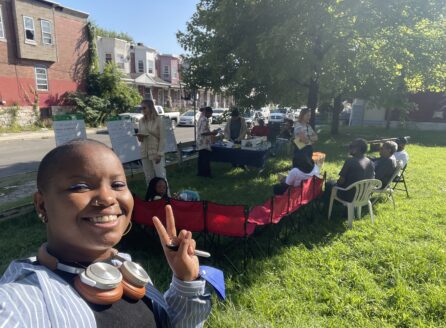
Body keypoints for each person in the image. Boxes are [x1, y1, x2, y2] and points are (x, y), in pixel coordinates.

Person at [0, 139, 219, 327]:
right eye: (80, 186)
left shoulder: (125, 269)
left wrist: (185, 280)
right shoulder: (20, 298)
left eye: (117, 184)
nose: (107, 198)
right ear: (41, 205)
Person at [137, 99, 166, 185]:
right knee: (149, 177)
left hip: (155, 152)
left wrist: (159, 153)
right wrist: (139, 137)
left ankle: (165, 197)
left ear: (150, 107)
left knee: (160, 177)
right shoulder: (141, 121)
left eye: (144, 108)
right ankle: (152, 197)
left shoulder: (159, 120)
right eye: (141, 108)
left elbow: (163, 138)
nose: (142, 110)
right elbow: (141, 139)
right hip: (144, 152)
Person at [197, 107, 218, 178]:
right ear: (207, 113)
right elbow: (203, 132)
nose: (211, 115)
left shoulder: (201, 118)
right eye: (211, 113)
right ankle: (207, 174)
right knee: (205, 159)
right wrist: (212, 133)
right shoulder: (205, 119)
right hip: (204, 142)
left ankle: (200, 173)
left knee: (201, 158)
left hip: (200, 141)